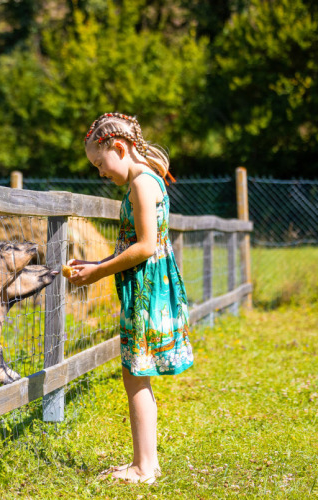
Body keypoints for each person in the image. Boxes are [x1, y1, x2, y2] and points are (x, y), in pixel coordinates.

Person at [66, 112, 194, 484]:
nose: (100, 173)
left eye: (99, 163)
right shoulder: (147, 180)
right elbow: (137, 244)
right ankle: (147, 463)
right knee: (137, 374)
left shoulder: (141, 184)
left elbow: (145, 246)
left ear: (119, 149)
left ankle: (143, 468)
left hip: (146, 290)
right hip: (147, 286)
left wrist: (98, 272)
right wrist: (96, 263)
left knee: (136, 375)